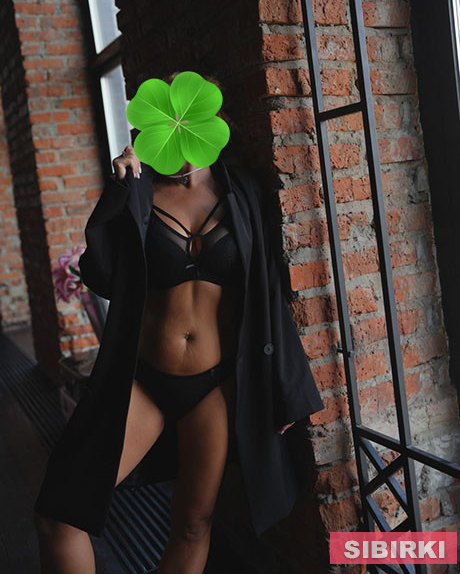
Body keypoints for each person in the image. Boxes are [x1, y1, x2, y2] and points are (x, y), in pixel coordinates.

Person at [33, 74, 324, 573]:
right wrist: (120, 192)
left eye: (189, 118)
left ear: (211, 120)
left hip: (216, 385)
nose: (179, 130)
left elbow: (269, 290)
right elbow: (100, 274)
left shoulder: (242, 191)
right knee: (59, 516)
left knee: (193, 524)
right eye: (166, 120)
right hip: (144, 380)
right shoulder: (139, 191)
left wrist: (288, 386)